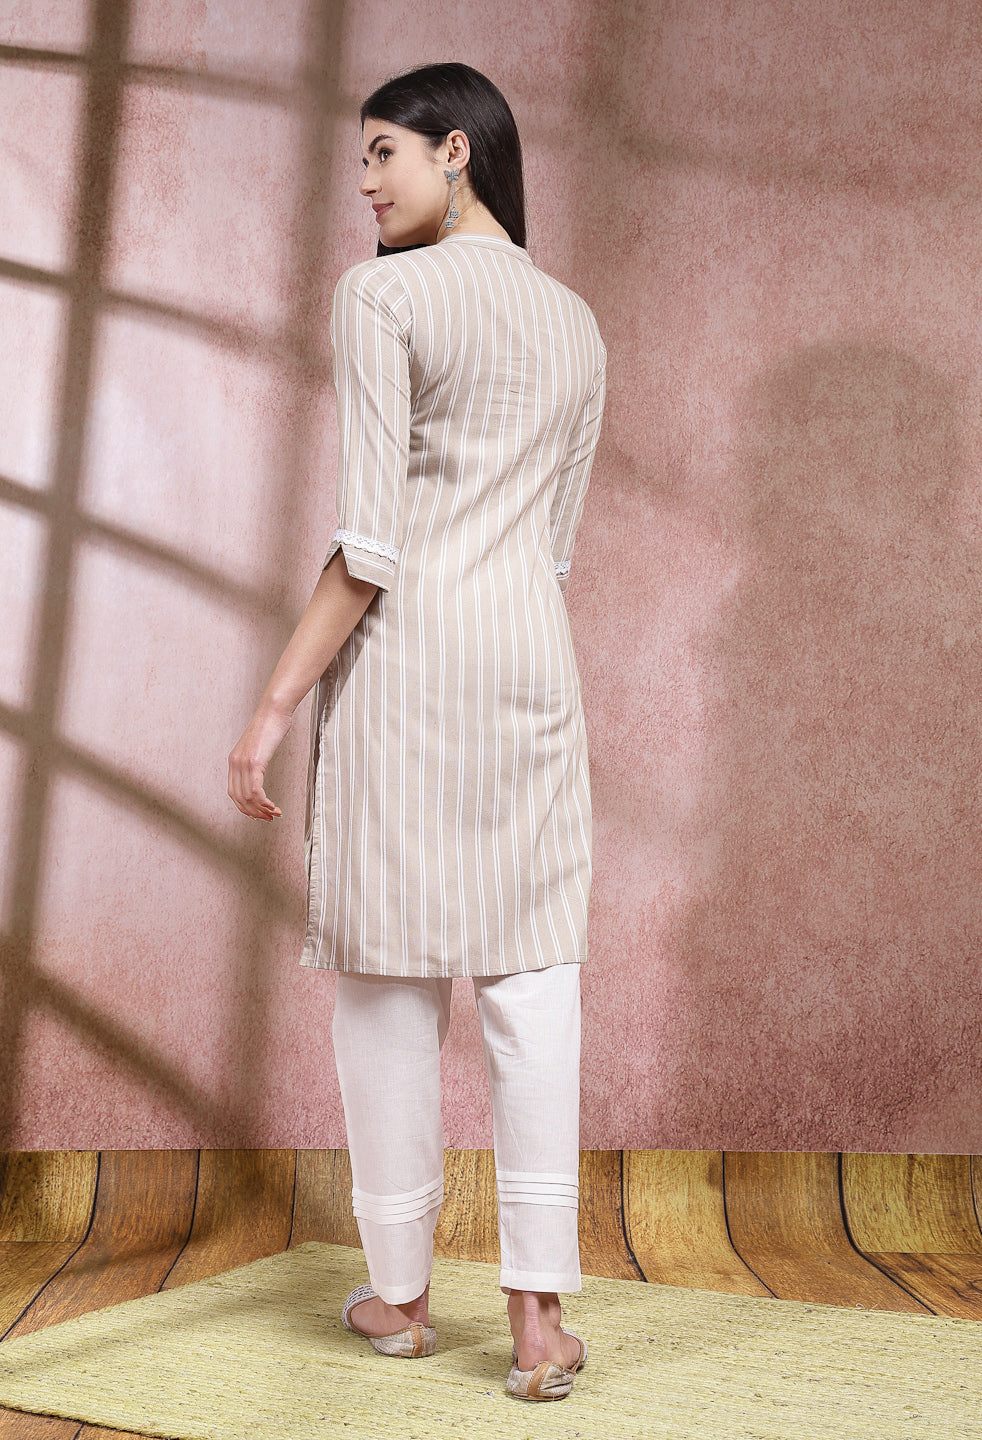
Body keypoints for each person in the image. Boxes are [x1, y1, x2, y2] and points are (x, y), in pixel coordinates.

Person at [227, 61, 606, 1403]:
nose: (367, 183)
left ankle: (398, 1296)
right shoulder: (575, 322)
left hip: (405, 669)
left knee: (389, 980)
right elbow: (551, 548)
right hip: (530, 667)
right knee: (531, 977)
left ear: (458, 151)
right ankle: (539, 1318)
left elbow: (371, 548)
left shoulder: (382, 297)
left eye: (385, 152)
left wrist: (271, 707)